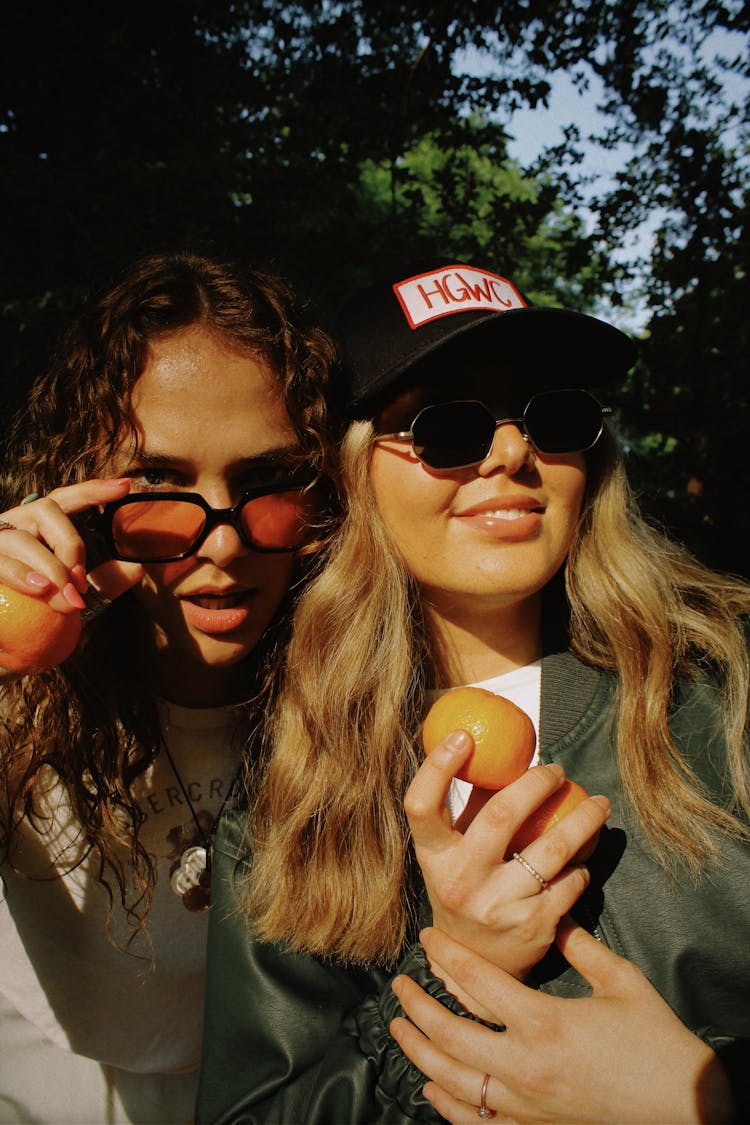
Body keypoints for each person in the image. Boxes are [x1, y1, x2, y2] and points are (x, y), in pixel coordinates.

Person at [196, 258, 749, 1124]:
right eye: (445, 427)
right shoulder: (285, 802)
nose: (512, 450)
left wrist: (700, 1104)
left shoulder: (726, 696)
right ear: (349, 476)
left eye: (552, 416)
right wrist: (454, 973)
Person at [0, 250, 338, 1124]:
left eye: (266, 482)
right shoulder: (17, 693)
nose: (221, 544)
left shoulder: (364, 700)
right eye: (159, 482)